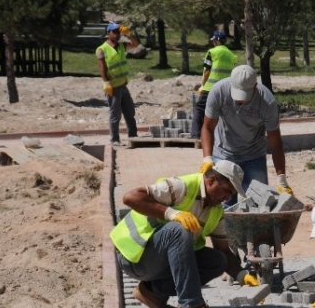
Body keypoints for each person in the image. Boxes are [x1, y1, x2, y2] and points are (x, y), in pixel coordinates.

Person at [110, 160, 260, 308]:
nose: (228, 198)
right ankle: (192, 304)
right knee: (178, 229)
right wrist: (171, 213)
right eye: (227, 190)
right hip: (134, 258)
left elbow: (224, 251)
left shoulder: (217, 212)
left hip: (158, 265)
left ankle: (151, 292)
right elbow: (130, 197)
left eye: (231, 194)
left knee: (218, 261)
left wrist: (242, 275)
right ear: (211, 180)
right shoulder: (182, 186)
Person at [199, 65, 293, 208]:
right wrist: (207, 158)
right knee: (221, 206)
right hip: (223, 154)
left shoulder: (266, 102)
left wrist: (281, 179)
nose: (240, 101)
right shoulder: (218, 91)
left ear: (255, 86)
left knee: (258, 205)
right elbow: (207, 128)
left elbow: (275, 142)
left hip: (253, 156)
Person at [96, 22, 139, 146]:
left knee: (130, 112)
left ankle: (133, 136)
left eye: (118, 32)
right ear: (108, 33)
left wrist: (129, 34)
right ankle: (114, 139)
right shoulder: (102, 49)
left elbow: (136, 45)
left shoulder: (121, 46)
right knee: (115, 114)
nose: (117, 34)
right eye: (114, 32)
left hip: (123, 85)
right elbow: (101, 67)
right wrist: (106, 82)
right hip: (113, 87)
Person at [191, 31, 237, 138]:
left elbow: (207, 71)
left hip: (210, 88)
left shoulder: (212, 52)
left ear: (216, 41)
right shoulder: (231, 55)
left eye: (213, 41)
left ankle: (195, 133)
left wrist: (203, 85)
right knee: (223, 111)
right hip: (226, 88)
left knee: (199, 108)